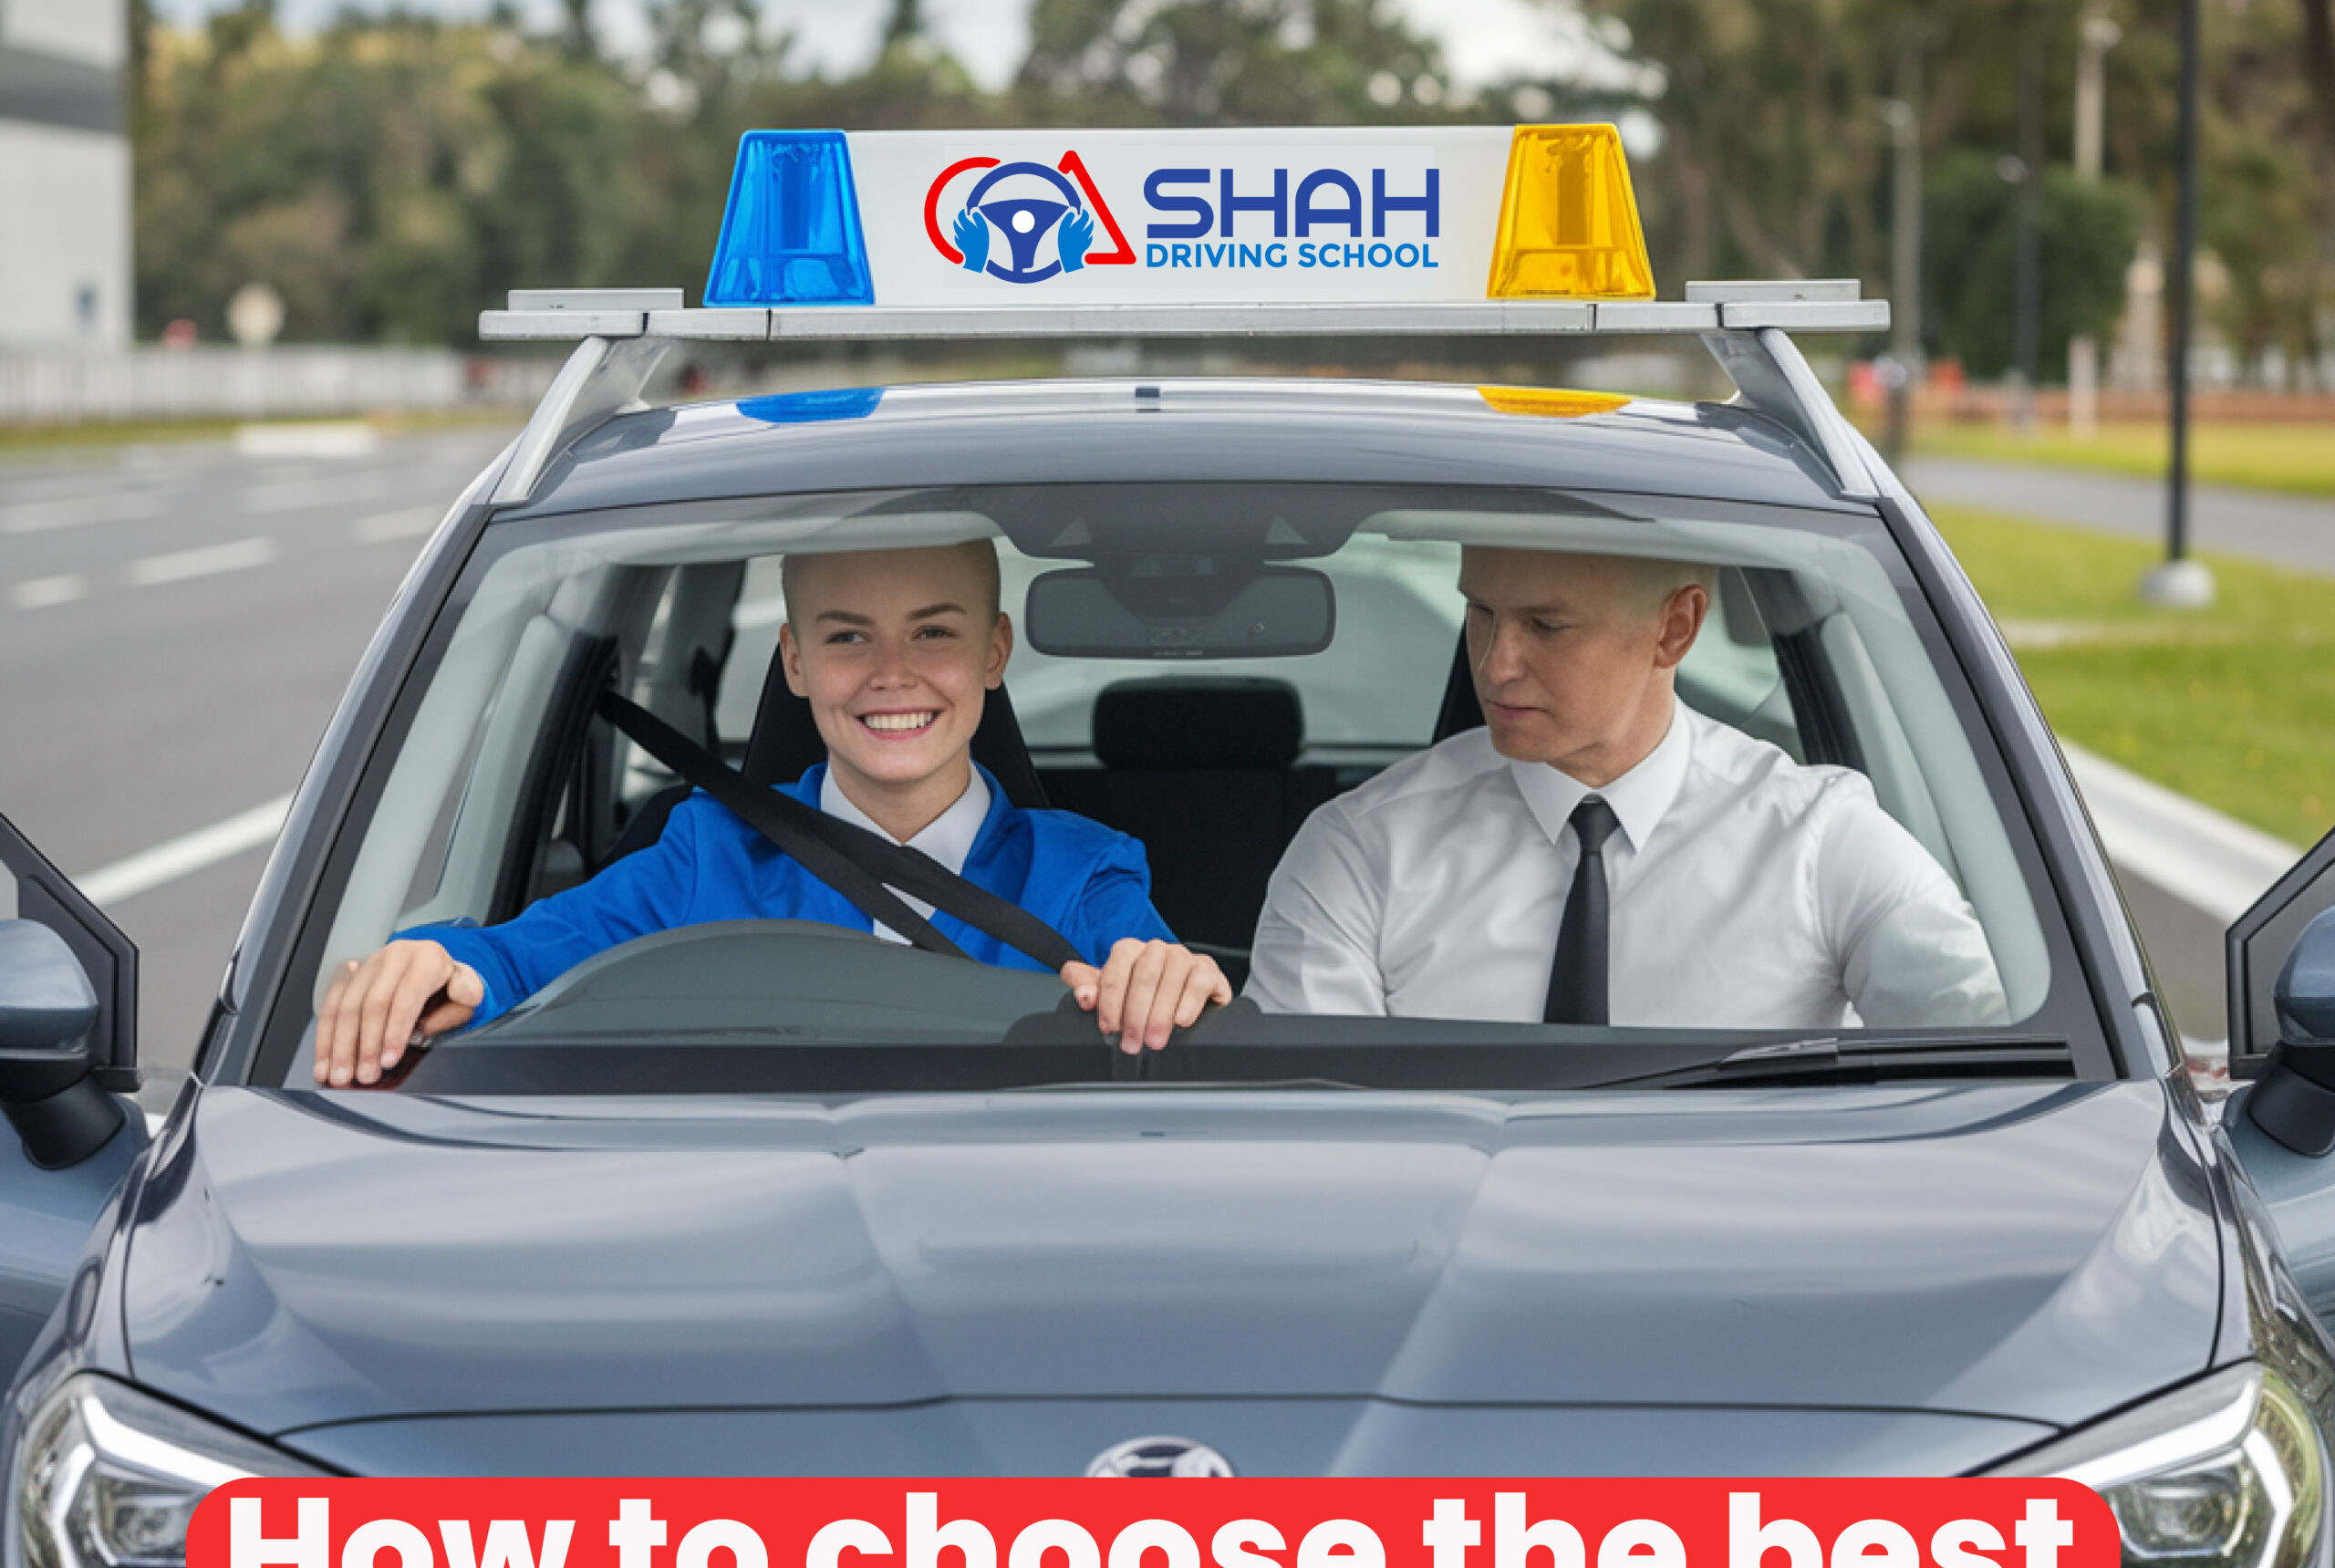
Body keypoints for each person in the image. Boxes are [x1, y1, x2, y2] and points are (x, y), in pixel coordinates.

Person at [314, 540, 1230, 1085]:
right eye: (846, 637)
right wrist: (438, 964)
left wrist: (1167, 980)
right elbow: (521, 957)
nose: (892, 672)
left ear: (994, 650)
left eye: (934, 632)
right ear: (793, 660)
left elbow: (1151, 986)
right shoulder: (707, 851)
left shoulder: (1085, 871)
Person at [1245, 544, 2008, 1028]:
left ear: (1675, 629)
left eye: (1546, 626)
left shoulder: (1820, 841)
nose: (1495, 663)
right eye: (1480, 612)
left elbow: (2002, 1042)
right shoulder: (1360, 852)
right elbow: (1310, 1138)